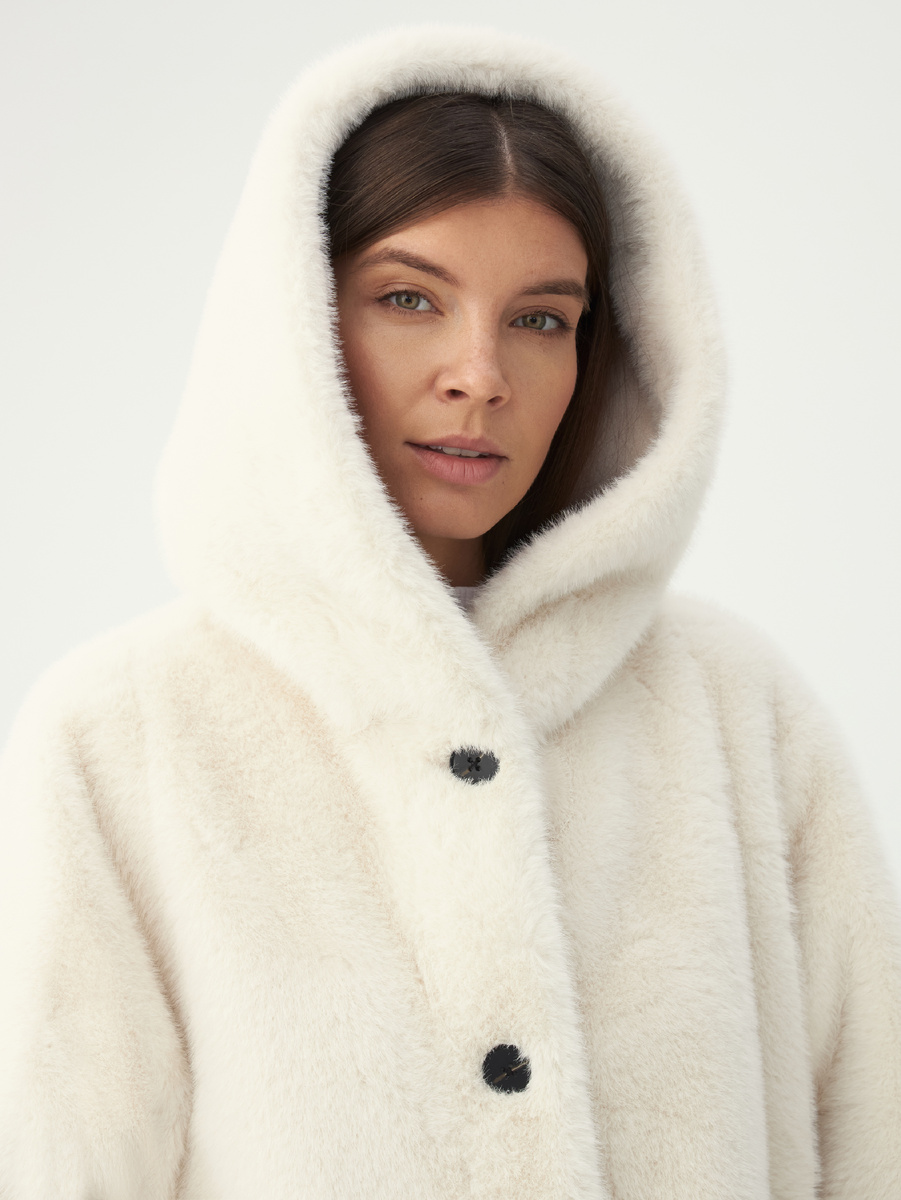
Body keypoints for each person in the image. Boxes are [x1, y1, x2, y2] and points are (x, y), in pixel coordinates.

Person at [0, 24, 898, 1200]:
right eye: (409, 298)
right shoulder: (121, 737)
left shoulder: (738, 714)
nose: (480, 372)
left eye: (541, 318)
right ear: (295, 323)